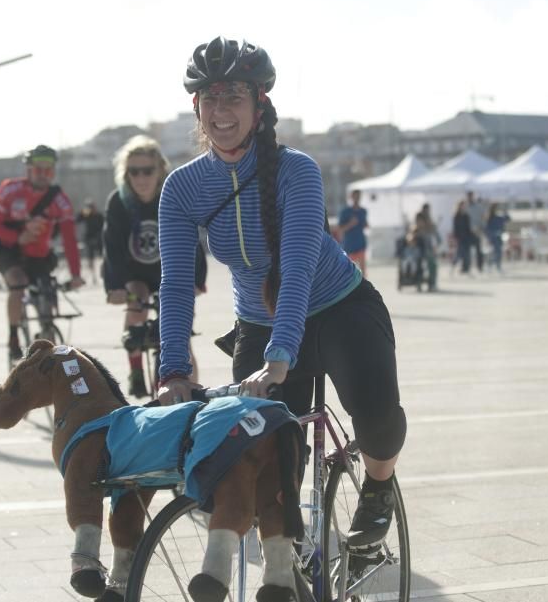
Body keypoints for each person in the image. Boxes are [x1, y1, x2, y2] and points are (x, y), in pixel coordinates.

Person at [156, 37, 406, 555]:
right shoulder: (182, 188)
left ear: (259, 105)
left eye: (234, 97)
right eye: (211, 98)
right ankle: (291, 556)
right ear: (196, 107)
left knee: (376, 415)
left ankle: (378, 488)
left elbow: (296, 267)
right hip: (260, 321)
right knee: (262, 460)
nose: (222, 111)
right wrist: (174, 370)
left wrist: (279, 360)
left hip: (338, 307)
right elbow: (178, 284)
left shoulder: (298, 170)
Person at [103, 135, 207, 397]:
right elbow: (112, 248)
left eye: (147, 171)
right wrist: (114, 287)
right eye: (134, 171)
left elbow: (192, 241)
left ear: (159, 170)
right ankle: (136, 369)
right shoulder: (119, 201)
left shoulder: (172, 194)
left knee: (180, 336)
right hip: (135, 272)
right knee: (136, 302)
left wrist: (197, 280)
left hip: (171, 271)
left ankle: (190, 398)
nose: (141, 178)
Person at [0, 145, 85, 361]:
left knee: (47, 295)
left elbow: (70, 240)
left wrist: (76, 274)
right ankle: (13, 335)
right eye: (38, 170)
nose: (43, 175)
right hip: (9, 250)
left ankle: (47, 338)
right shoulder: (9, 190)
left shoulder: (60, 200)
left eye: (48, 171)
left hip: (39, 254)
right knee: (18, 283)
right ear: (28, 170)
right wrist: (17, 238)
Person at [337, 189, 369, 275]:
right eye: (355, 196)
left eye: (359, 196)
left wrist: (366, 225)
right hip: (349, 245)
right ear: (351, 197)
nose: (357, 198)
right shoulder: (345, 212)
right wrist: (350, 224)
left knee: (363, 271)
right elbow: (340, 229)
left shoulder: (363, 211)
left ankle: (365, 288)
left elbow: (365, 225)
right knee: (349, 271)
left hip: (361, 243)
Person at [76, 199, 105, 283]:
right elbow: (77, 219)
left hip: (99, 239)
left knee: (103, 256)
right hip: (89, 238)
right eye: (89, 207)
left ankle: (104, 273)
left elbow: (104, 226)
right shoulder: (86, 215)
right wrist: (83, 212)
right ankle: (93, 276)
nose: (91, 209)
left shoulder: (99, 216)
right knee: (90, 258)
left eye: (91, 207)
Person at [485, 202, 510, 273]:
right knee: (496, 253)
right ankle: (495, 266)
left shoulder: (499, 218)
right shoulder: (490, 218)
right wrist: (490, 237)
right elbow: (487, 229)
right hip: (494, 239)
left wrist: (505, 211)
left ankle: (494, 265)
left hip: (499, 238)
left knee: (497, 253)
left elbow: (508, 218)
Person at [465, 190, 486, 273]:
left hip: (477, 231)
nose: (470, 197)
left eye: (471, 196)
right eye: (468, 196)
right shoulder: (465, 206)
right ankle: (467, 267)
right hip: (467, 232)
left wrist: (481, 229)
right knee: (466, 250)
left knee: (479, 250)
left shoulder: (479, 207)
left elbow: (483, 218)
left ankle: (479, 266)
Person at [452, 199, 472, 274]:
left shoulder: (466, 216)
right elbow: (455, 228)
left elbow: (468, 228)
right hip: (460, 237)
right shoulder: (456, 216)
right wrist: (456, 237)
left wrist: (470, 236)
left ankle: (465, 269)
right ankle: (453, 266)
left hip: (466, 237)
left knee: (467, 254)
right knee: (459, 253)